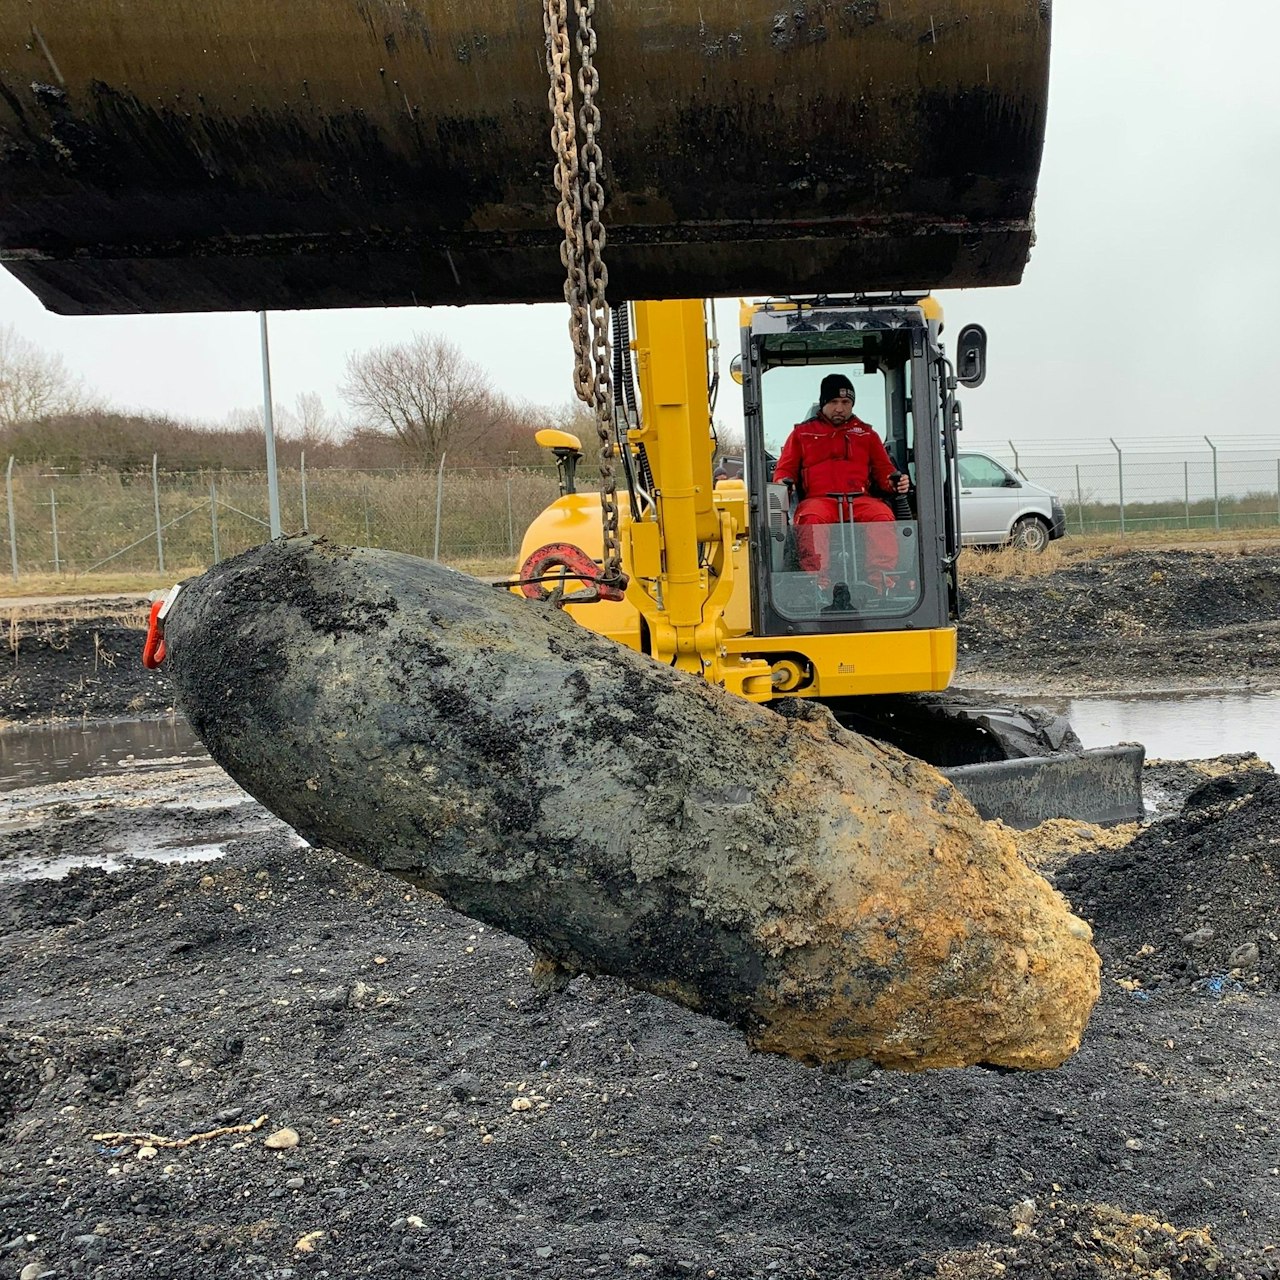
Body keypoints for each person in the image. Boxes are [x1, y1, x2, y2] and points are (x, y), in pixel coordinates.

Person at [771, 372, 910, 587]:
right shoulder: (802, 434)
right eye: (834, 402)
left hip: (859, 500)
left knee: (881, 514)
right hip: (820, 501)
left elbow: (884, 470)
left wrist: (894, 482)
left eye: (846, 402)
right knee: (811, 519)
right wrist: (783, 483)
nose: (840, 408)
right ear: (823, 402)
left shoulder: (866, 434)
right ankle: (817, 584)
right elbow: (785, 469)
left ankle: (881, 583)